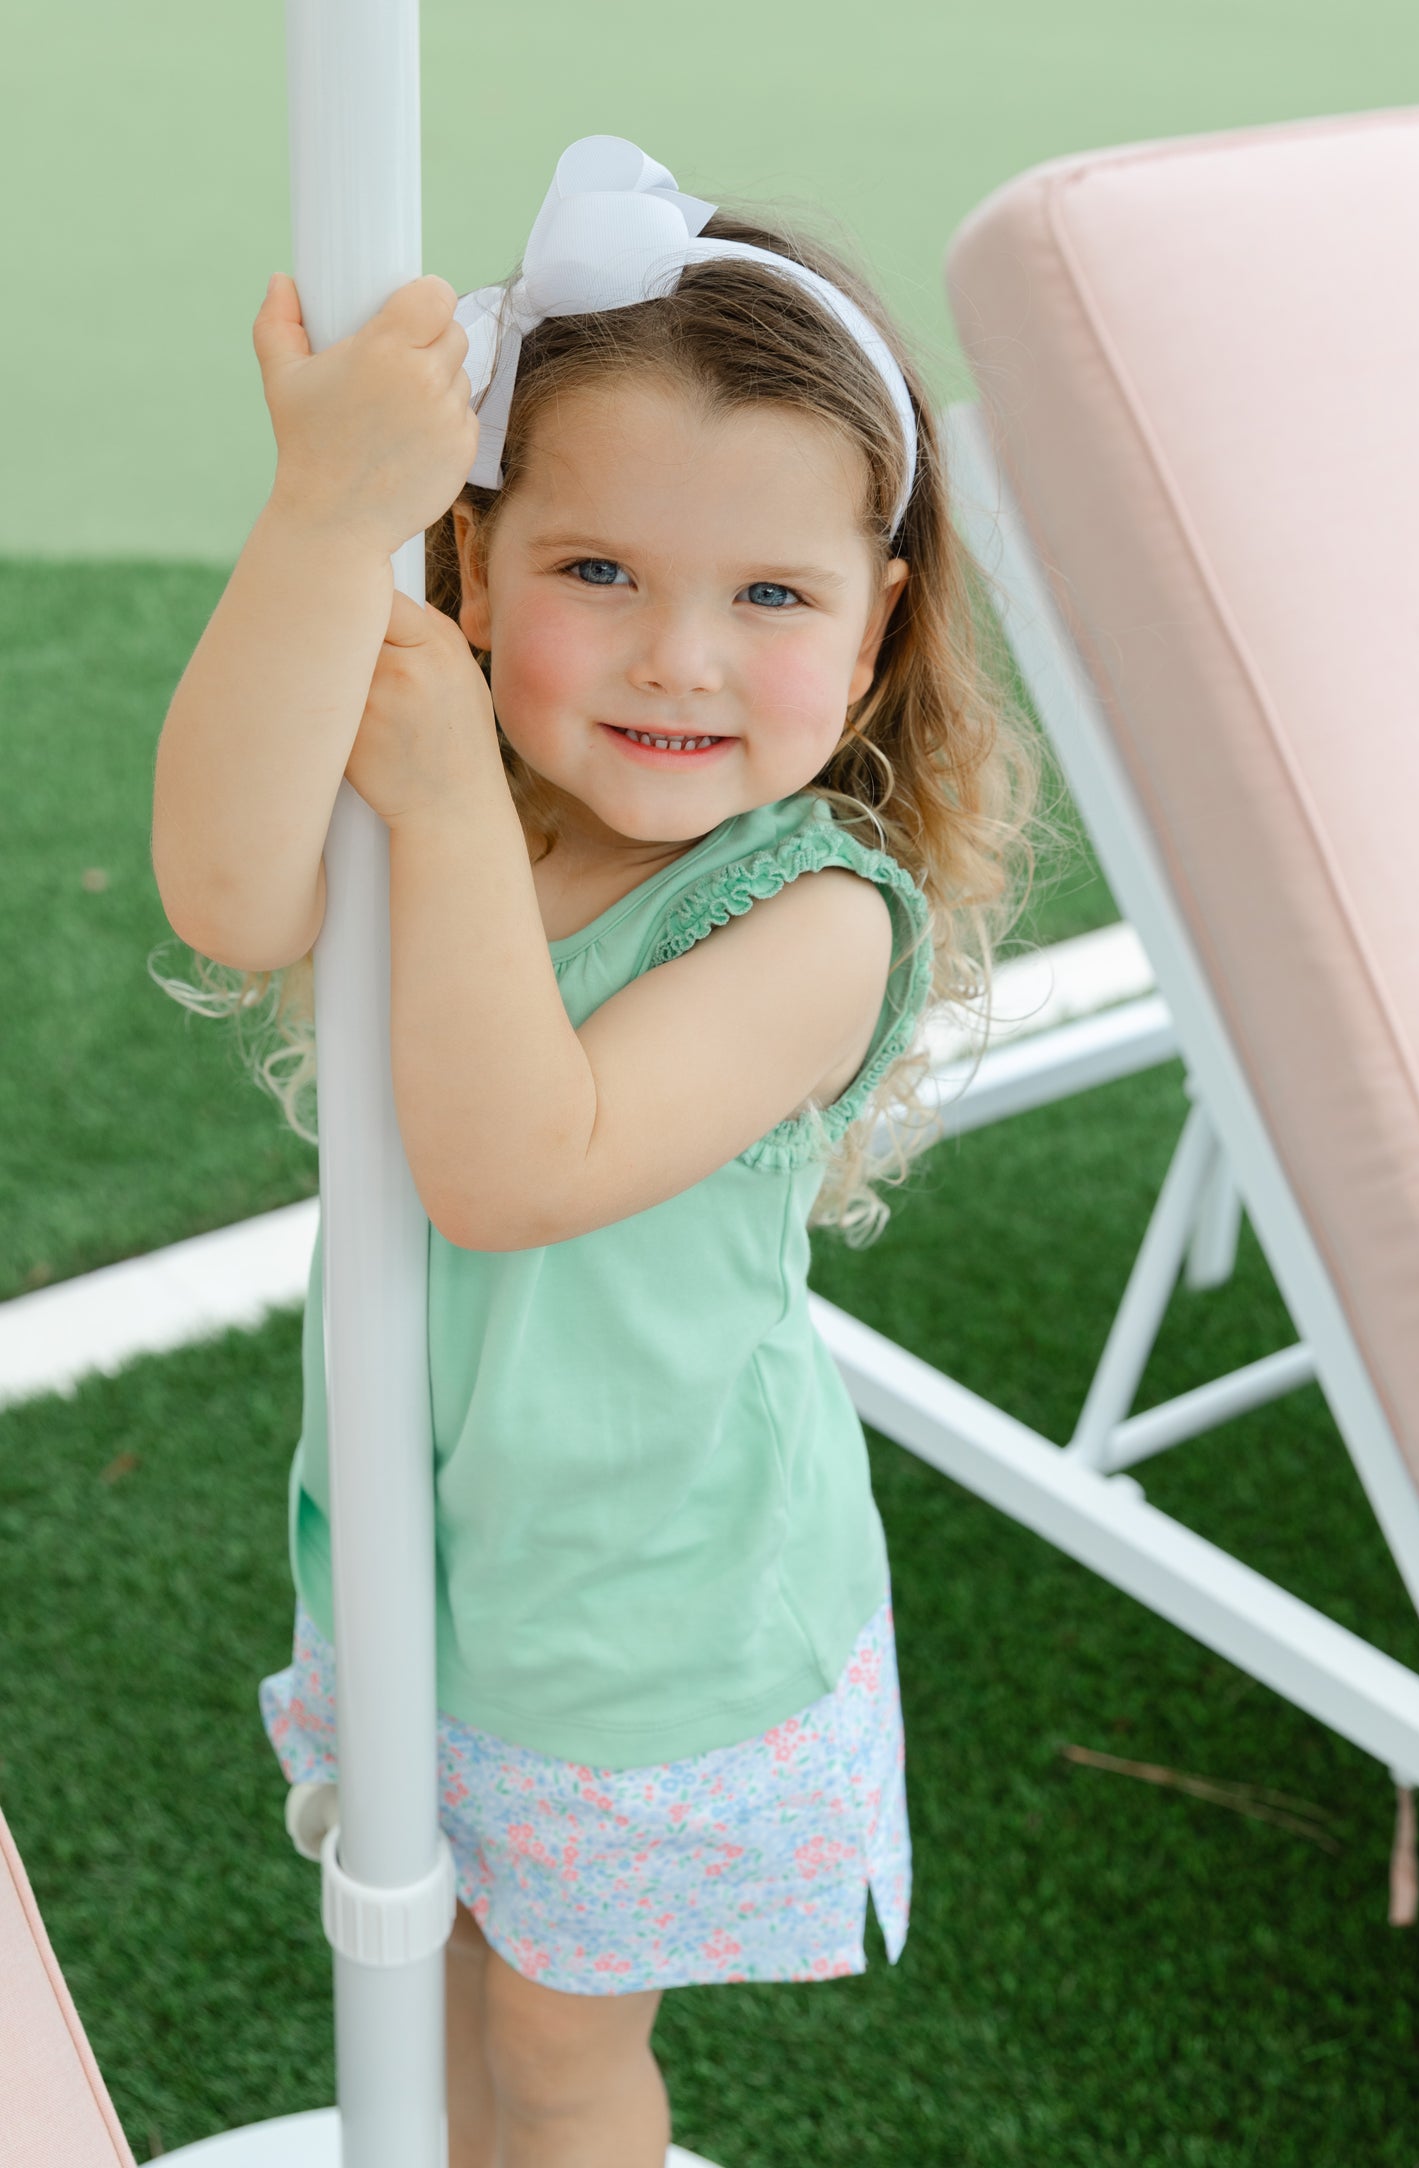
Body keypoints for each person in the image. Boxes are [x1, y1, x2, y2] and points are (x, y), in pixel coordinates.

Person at [150, 136, 1044, 2168]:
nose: (679, 655)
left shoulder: (815, 918)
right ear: (471, 567)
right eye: (597, 572)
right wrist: (320, 524)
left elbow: (513, 1161)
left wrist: (448, 805)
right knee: (442, 1993)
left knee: (554, 2055)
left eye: (771, 595)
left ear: (879, 618)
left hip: (645, 1622)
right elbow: (222, 880)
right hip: (428, 1560)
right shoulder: (472, 796)